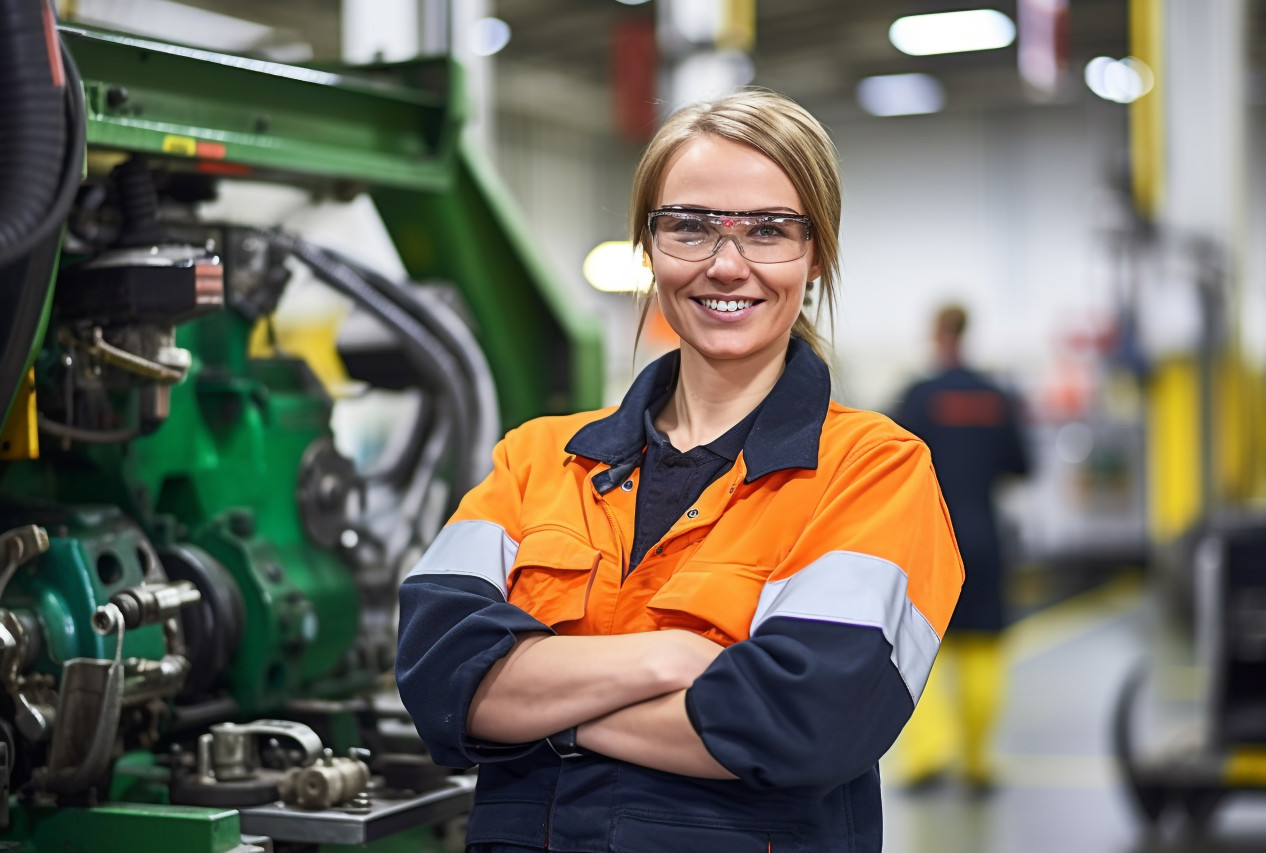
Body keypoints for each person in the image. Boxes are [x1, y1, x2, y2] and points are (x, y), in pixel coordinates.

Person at [397, 89, 964, 852]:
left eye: (769, 230)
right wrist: (667, 655)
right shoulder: (536, 459)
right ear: (649, 247)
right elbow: (438, 673)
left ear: (816, 253)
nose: (726, 266)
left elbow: (803, 724)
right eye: (690, 227)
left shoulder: (874, 472)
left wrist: (531, 706)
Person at [891, 304, 1031, 793]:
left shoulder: (917, 397)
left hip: (930, 538)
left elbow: (892, 466)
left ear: (936, 332)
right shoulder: (998, 396)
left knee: (923, 646)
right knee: (984, 647)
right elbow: (1021, 464)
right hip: (986, 538)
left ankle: (928, 757)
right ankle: (977, 762)